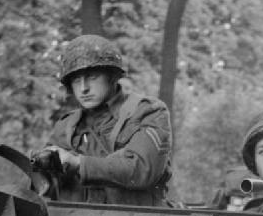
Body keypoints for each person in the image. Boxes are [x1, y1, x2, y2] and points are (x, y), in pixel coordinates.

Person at [32, 34, 172, 206]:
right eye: (76, 80)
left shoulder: (147, 112)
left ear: (111, 77)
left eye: (92, 77)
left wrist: (78, 163)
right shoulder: (66, 127)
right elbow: (47, 189)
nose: (83, 88)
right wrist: (44, 171)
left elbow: (142, 170)